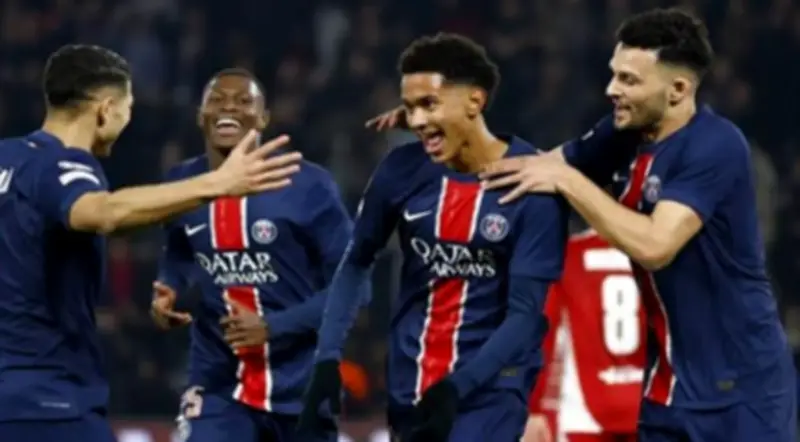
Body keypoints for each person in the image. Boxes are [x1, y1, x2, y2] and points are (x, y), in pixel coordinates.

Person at [368, 9, 797, 442]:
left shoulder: (715, 146)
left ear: (678, 90)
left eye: (629, 80)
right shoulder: (621, 137)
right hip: (665, 391)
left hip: (741, 392)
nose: (612, 89)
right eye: (614, 74)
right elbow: (530, 167)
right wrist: (444, 122)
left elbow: (655, 245)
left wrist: (570, 181)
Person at [0, 45, 300, 442]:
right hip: (48, 404)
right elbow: (102, 212)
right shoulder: (64, 164)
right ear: (106, 110)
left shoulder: (6, 157)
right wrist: (218, 184)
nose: (128, 121)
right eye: (128, 109)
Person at [298, 33, 569, 442]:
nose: (417, 121)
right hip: (411, 387)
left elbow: (524, 316)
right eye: (409, 108)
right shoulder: (401, 170)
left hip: (491, 393)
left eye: (429, 105)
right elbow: (356, 262)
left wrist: (456, 389)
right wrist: (326, 359)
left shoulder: (532, 184)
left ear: (475, 102)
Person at [150, 68, 358, 442]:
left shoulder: (307, 184)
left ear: (263, 118)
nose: (228, 107)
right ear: (200, 115)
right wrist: (170, 287)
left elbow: (356, 286)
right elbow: (178, 252)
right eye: (217, 100)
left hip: (301, 387)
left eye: (243, 101)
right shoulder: (183, 185)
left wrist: (273, 326)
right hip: (218, 384)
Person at [523, 228, 644, 442]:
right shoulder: (662, 256)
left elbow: (543, 333)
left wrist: (533, 406)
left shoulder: (570, 254)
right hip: (648, 404)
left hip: (583, 411)